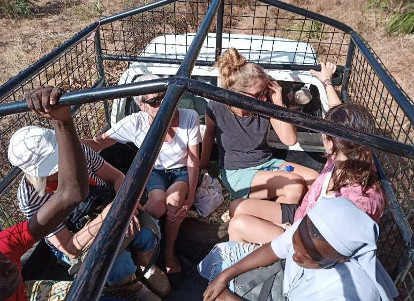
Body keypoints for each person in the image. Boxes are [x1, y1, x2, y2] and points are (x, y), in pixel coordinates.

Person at [8, 88, 164, 300]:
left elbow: (118, 178)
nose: (63, 167)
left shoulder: (78, 152)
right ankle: (135, 286)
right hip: (78, 231)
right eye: (53, 168)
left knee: (146, 232)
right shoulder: (30, 197)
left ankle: (147, 266)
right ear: (36, 174)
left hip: (104, 207)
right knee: (115, 264)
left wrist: (125, 207)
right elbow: (70, 247)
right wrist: (109, 217)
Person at [227, 62, 385, 244]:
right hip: (304, 215)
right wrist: (326, 82)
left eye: (326, 133)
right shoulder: (356, 156)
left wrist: (289, 233)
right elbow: (340, 114)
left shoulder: (350, 197)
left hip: (306, 242)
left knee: (238, 224)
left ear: (330, 144)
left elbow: (326, 245)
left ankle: (260, 259)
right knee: (236, 207)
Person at [83, 74, 201, 281]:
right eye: (155, 101)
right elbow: (98, 142)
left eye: (167, 96)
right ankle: (147, 248)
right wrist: (63, 143)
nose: (165, 104)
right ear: (141, 106)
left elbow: (192, 160)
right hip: (155, 171)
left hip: (181, 171)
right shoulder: (135, 124)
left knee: (173, 201)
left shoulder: (189, 116)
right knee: (156, 205)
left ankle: (168, 252)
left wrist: (190, 195)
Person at [199, 197, 399, 301]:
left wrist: (229, 298)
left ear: (342, 259)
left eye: (308, 258)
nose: (294, 257)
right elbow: (275, 249)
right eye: (294, 245)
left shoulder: (347, 293)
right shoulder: (311, 228)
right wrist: (225, 275)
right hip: (281, 285)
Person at [0, 86, 89, 301]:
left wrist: (62, 120)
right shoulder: (28, 196)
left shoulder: (5, 246)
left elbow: (71, 193)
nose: (8, 268)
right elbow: (69, 247)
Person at [200, 48, 318, 207]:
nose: (263, 98)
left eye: (265, 92)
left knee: (315, 180)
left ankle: (278, 218)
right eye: (257, 94)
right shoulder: (216, 107)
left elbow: (289, 139)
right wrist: (202, 166)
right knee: (294, 186)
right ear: (237, 93)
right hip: (238, 172)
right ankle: (277, 226)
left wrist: (278, 105)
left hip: (267, 164)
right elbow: (208, 136)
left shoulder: (265, 106)